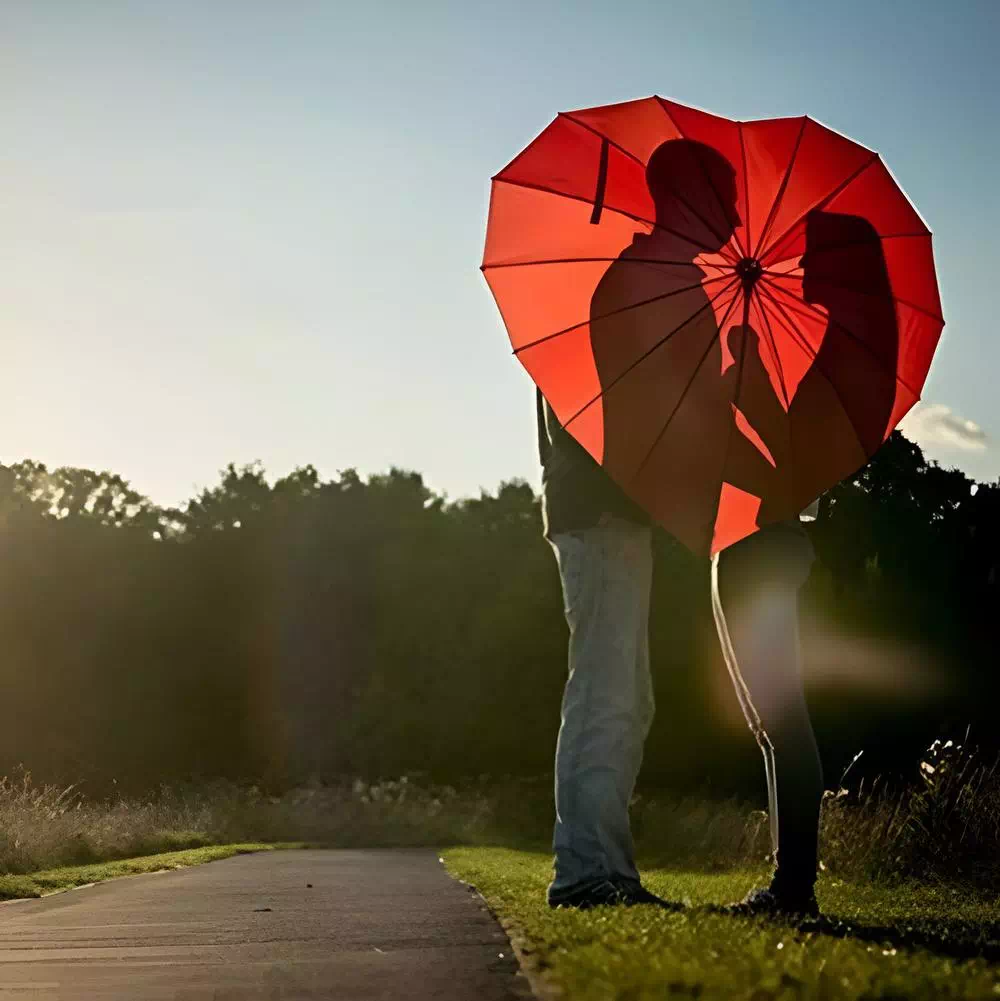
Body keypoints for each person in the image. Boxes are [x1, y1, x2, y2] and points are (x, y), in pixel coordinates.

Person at [541, 138, 746, 910]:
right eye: (721, 200)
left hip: (612, 509)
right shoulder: (652, 280)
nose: (731, 216)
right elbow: (658, 405)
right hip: (603, 507)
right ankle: (586, 872)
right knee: (607, 693)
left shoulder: (660, 279)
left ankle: (606, 868)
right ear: (685, 202)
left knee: (626, 693)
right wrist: (726, 370)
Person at [712, 211, 898, 918]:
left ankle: (795, 888)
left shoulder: (843, 358)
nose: (801, 264)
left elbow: (791, 472)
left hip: (767, 542)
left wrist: (754, 382)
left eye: (814, 254)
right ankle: (787, 884)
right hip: (757, 540)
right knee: (770, 720)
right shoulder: (833, 348)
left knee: (783, 718)